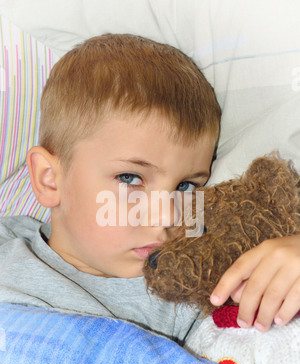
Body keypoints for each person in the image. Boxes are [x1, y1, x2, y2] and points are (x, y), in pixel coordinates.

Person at [0, 33, 299, 343]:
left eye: (186, 186)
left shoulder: (195, 292)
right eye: (130, 178)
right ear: (49, 178)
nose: (166, 217)